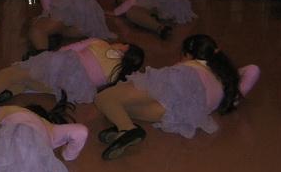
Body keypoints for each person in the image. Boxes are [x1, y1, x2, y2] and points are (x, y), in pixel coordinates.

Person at [94, 34, 260, 160]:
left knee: (103, 98)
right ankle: (124, 128)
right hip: (173, 114)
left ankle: (127, 128)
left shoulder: (188, 69)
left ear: (188, 54)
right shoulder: (224, 80)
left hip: (168, 101)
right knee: (120, 106)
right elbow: (252, 69)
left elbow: (157, 83)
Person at [0, 38, 144, 115]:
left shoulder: (101, 43)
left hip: (65, 65)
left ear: (125, 48)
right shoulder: (117, 76)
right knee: (27, 82)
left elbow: (69, 48)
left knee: (12, 72)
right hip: (74, 88)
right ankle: (6, 93)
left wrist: (48, 58)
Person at [25, 0, 116, 59]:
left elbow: (47, 11)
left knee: (37, 30)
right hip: (86, 0)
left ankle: (43, 56)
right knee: (75, 29)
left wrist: (38, 21)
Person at [108, 0, 197, 39]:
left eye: (120, 1)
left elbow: (131, 2)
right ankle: (157, 21)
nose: (122, 3)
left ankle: (159, 28)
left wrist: (115, 12)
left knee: (131, 12)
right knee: (144, 10)